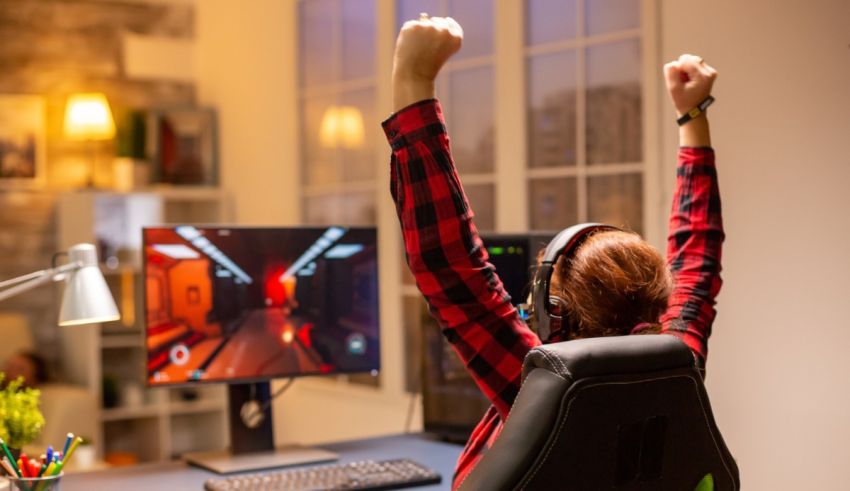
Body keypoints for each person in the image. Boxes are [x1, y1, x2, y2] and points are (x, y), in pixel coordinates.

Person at [382, 14, 723, 490]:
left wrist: (413, 77)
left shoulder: (543, 394)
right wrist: (694, 116)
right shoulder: (680, 365)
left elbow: (450, 265)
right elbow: (697, 259)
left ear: (552, 315)